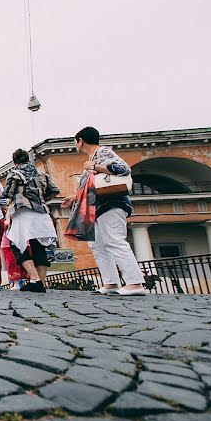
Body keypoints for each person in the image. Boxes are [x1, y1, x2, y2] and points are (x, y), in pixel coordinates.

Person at [63, 126, 145, 296]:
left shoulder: (103, 152)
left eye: (75, 142)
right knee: (98, 245)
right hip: (96, 206)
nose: (75, 145)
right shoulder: (93, 158)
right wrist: (73, 197)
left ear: (81, 141)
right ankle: (111, 282)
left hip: (111, 203)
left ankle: (134, 283)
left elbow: (124, 169)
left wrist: (95, 166)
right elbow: (91, 186)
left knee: (115, 240)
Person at [3, 149, 60, 293]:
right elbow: (54, 190)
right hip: (41, 214)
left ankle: (35, 278)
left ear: (15, 162)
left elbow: (8, 193)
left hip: (23, 213)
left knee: (16, 245)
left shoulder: (15, 174)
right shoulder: (41, 174)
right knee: (39, 247)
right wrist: (40, 199)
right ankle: (40, 283)